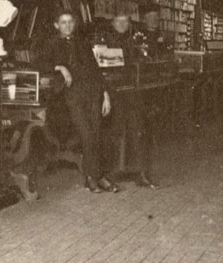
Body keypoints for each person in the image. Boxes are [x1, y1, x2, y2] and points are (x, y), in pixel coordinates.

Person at [34, 10, 118, 193]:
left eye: (70, 22)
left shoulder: (82, 43)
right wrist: (60, 67)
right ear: (56, 25)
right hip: (69, 96)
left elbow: (95, 70)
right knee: (88, 134)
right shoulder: (51, 44)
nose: (68, 26)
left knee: (96, 134)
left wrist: (105, 95)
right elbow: (38, 64)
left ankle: (97, 176)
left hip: (92, 93)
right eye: (63, 22)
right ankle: (92, 177)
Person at [105, 11, 158, 188]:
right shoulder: (105, 40)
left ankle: (141, 173)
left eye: (125, 21)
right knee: (116, 131)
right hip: (113, 93)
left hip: (131, 91)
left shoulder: (132, 41)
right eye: (118, 21)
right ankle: (113, 173)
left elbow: (138, 63)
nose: (122, 25)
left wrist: (141, 56)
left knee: (138, 129)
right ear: (112, 23)